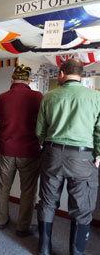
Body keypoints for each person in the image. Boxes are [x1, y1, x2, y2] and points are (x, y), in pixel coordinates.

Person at [36, 58, 100, 255]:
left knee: (47, 202)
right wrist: (98, 155)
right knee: (82, 208)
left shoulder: (49, 96)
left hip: (53, 154)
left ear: (61, 73)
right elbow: (99, 131)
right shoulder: (95, 97)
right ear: (81, 74)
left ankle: (44, 249)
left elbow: (40, 130)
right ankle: (76, 252)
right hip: (82, 158)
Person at [0, 65, 43, 237]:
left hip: (7, 149)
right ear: (29, 81)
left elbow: (0, 117)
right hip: (29, 150)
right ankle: (23, 227)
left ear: (12, 79)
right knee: (28, 191)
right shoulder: (37, 97)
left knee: (3, 187)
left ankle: (1, 220)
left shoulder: (2, 97)